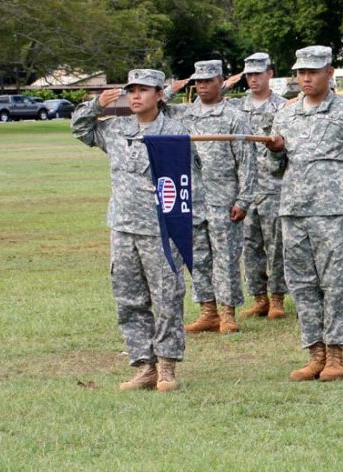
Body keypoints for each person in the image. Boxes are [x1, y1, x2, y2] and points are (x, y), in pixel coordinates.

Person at [71, 69, 200, 392]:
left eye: (144, 90)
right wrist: (95, 105)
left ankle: (167, 365)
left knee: (167, 297)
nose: (136, 96)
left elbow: (192, 179)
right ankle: (144, 365)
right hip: (123, 227)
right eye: (132, 90)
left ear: (159, 94)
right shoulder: (116, 129)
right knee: (129, 299)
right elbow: (80, 129)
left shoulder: (174, 132)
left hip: (161, 229)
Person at [265, 46, 343, 381]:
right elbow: (274, 169)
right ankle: (315, 352)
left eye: (313, 71)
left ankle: (335, 354)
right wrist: (275, 152)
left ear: (329, 73)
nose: (306, 77)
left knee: (336, 284)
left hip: (334, 214)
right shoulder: (286, 115)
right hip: (294, 213)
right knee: (302, 284)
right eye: (301, 72)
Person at [164, 60, 258, 335]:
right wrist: (171, 90)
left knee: (226, 257)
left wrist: (243, 199)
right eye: (198, 81)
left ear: (221, 82)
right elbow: (157, 108)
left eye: (208, 80)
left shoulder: (234, 116)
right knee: (198, 256)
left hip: (224, 199)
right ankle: (208, 310)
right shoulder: (185, 115)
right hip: (191, 197)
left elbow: (247, 162)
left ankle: (228, 312)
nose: (202, 86)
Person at [222, 52, 291, 320]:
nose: (253, 79)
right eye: (248, 75)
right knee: (249, 247)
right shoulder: (236, 107)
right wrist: (226, 84)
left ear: (270, 74)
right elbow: (204, 106)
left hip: (275, 186)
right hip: (245, 189)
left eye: (258, 74)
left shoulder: (285, 107)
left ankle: (277, 298)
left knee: (276, 246)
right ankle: (259, 297)